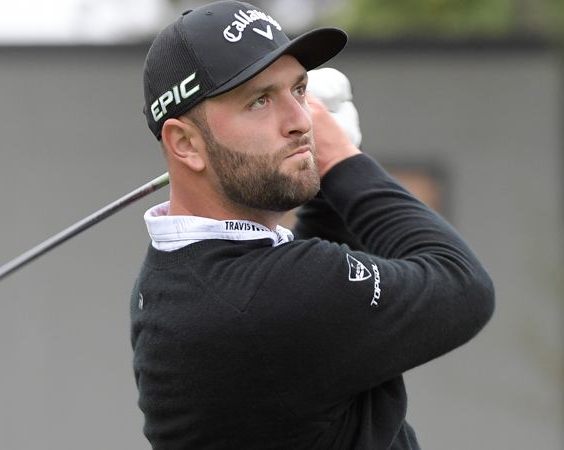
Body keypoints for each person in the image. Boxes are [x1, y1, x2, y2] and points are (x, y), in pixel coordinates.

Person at [130, 1, 495, 449]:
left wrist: (323, 189)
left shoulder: (172, 278)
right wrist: (344, 163)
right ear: (185, 143)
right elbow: (462, 287)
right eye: (260, 100)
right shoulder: (270, 299)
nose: (302, 122)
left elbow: (308, 309)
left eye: (299, 89)